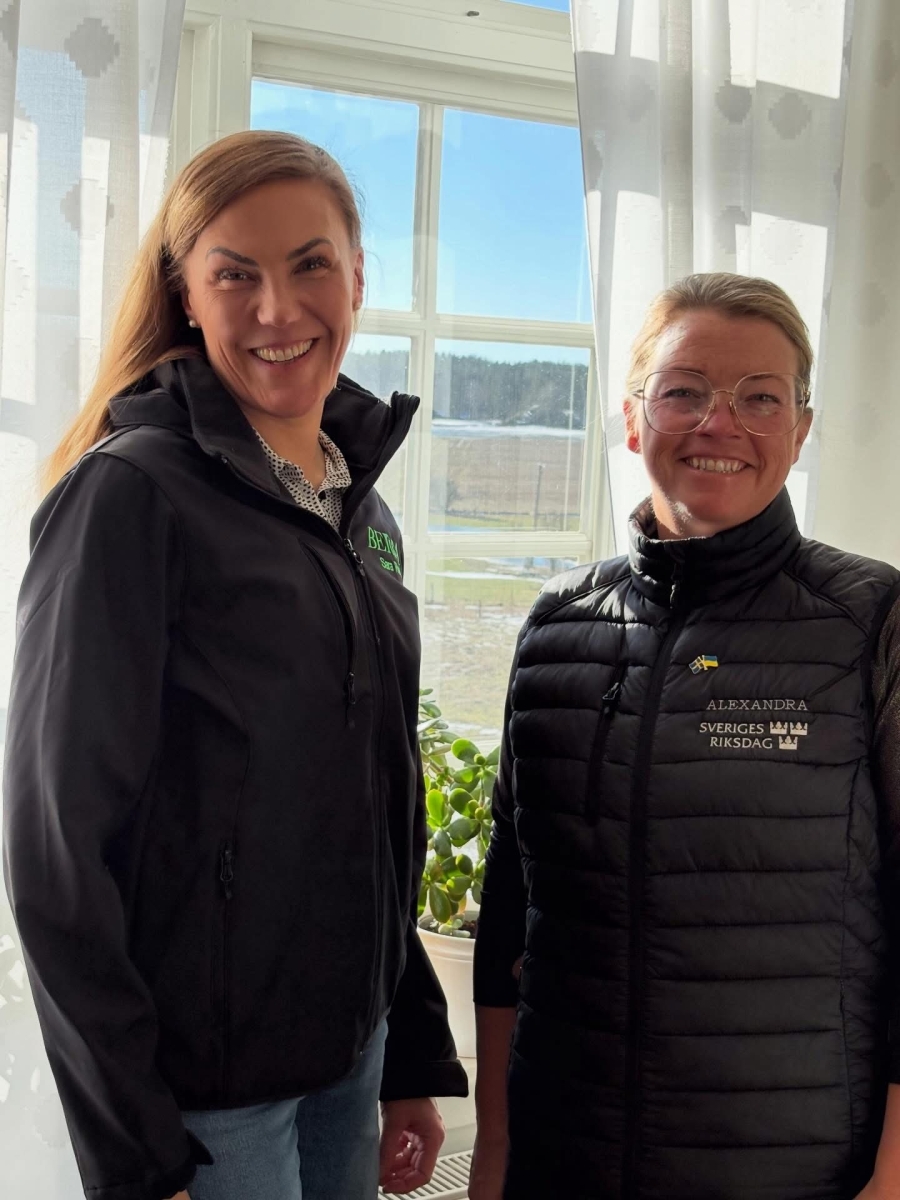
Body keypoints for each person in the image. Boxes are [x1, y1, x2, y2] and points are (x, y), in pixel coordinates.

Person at [2, 129, 468, 1200]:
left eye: (310, 264)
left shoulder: (365, 514)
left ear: (358, 276)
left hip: (348, 1057)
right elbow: (56, 851)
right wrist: (135, 1149)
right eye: (235, 275)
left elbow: (382, 802)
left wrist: (411, 1048)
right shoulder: (131, 496)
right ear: (187, 292)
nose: (277, 309)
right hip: (206, 1100)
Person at [469, 273, 900, 1200]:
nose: (720, 423)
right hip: (565, 1156)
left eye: (760, 398)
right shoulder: (556, 626)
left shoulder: (871, 620)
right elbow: (512, 902)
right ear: (633, 420)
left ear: (801, 429)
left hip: (792, 1168)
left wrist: (895, 1175)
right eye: (684, 391)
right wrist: (495, 1146)